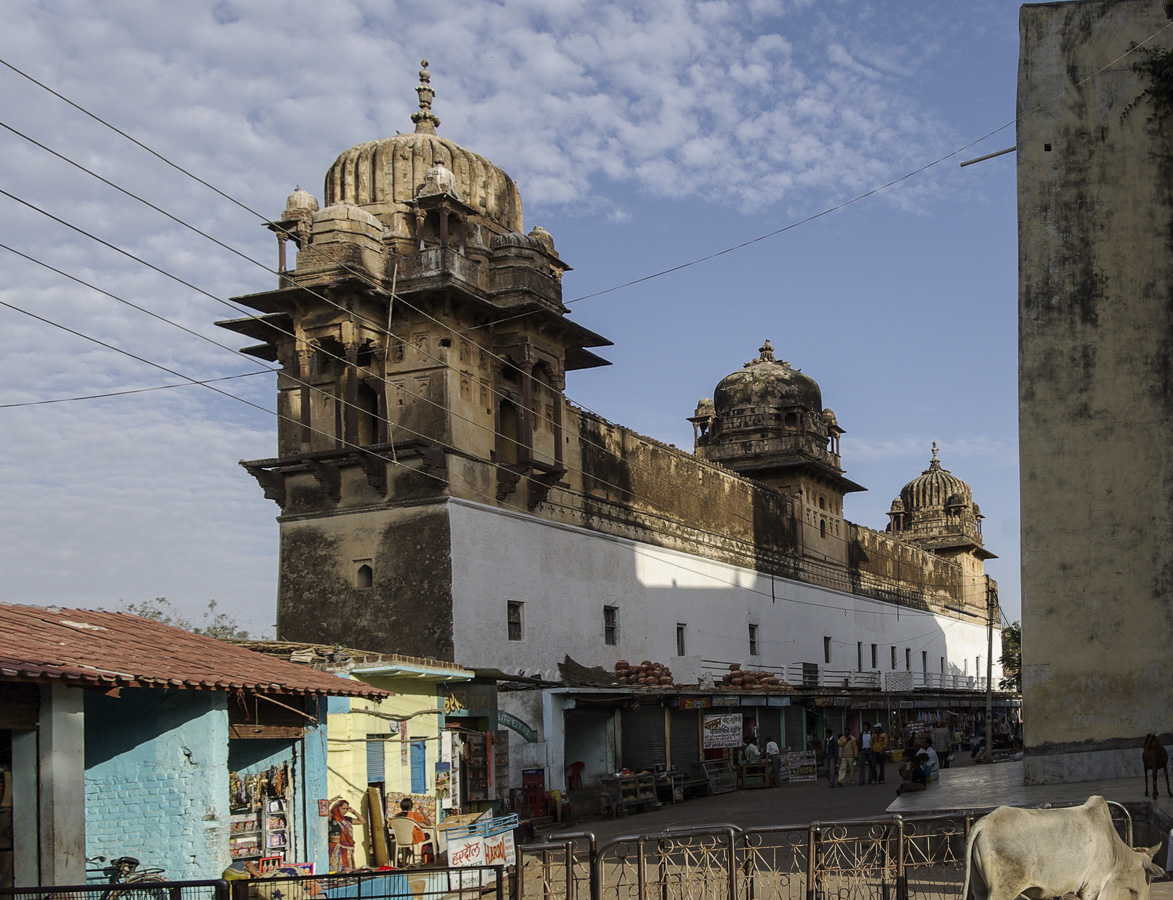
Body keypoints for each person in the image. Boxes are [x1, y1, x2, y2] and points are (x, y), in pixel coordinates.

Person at [328, 797, 366, 872]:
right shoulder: (331, 817)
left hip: (346, 847)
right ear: (337, 808)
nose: (345, 811)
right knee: (334, 868)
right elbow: (325, 807)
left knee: (346, 868)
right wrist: (332, 801)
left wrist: (354, 812)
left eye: (346, 809)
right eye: (343, 808)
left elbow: (363, 821)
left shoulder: (347, 819)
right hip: (334, 847)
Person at [394, 797, 435, 863]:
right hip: (415, 838)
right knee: (429, 837)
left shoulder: (397, 816)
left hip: (401, 839)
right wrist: (422, 812)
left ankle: (409, 859)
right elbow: (428, 823)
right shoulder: (414, 815)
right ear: (411, 806)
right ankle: (419, 857)